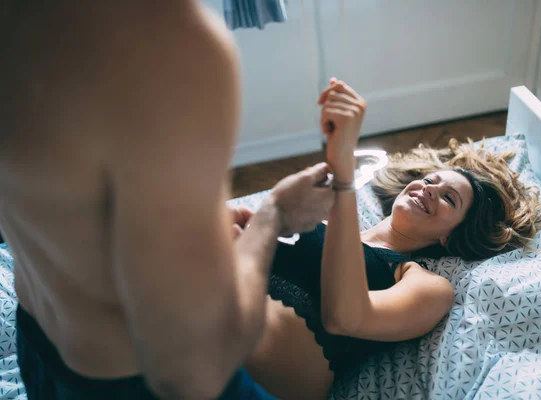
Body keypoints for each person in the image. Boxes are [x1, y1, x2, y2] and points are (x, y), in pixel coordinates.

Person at [0, 2, 334, 399]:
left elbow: (67, 185)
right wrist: (273, 214)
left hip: (40, 343)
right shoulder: (167, 38)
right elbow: (195, 372)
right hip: (130, 385)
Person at [240, 78, 541, 399]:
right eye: (430, 180)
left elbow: (344, 318)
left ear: (450, 237)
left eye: (449, 199)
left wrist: (344, 171)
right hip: (200, 334)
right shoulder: (314, 221)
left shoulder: (427, 286)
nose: (429, 188)